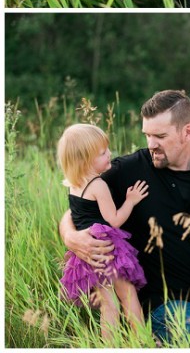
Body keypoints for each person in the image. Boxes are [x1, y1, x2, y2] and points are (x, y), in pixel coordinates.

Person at [58, 90, 190, 346]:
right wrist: (71, 236)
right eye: (147, 135)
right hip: (163, 303)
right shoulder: (129, 170)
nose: (151, 143)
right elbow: (78, 207)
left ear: (188, 132)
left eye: (160, 136)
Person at [56, 124, 147, 339]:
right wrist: (131, 201)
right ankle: (143, 341)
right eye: (103, 153)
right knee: (127, 295)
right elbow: (114, 220)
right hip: (106, 247)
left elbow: (77, 215)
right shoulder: (98, 185)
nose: (110, 154)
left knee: (108, 303)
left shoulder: (73, 183)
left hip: (89, 253)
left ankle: (109, 346)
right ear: (86, 160)